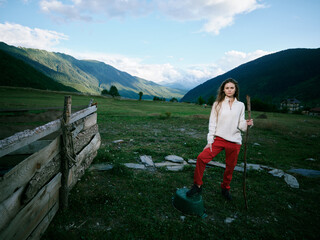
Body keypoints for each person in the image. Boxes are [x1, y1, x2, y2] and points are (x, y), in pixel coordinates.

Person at [186, 78, 253, 200]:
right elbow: (212, 123)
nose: (229, 90)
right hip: (219, 139)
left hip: (235, 141)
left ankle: (225, 188)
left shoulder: (241, 105)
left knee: (230, 167)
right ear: (223, 89)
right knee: (201, 158)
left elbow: (241, 125)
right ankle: (197, 185)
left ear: (235, 89)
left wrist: (247, 124)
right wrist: (210, 141)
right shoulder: (217, 104)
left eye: (232, 87)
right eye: (227, 88)